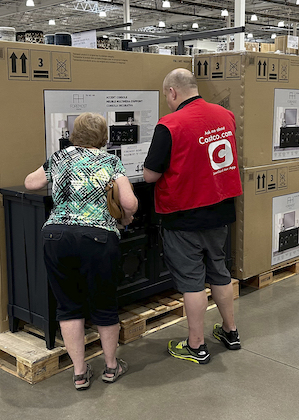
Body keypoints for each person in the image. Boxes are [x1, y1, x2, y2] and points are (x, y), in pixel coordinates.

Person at [25, 112, 138, 390]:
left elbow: (31, 183)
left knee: (68, 305)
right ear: (103, 136)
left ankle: (79, 372)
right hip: (97, 239)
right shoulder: (110, 161)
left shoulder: (60, 157)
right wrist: (122, 215)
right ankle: (111, 367)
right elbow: (130, 203)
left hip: (56, 236)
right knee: (103, 304)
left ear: (74, 133)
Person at [143, 68, 243, 365]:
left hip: (183, 214)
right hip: (220, 209)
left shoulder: (170, 124)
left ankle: (196, 344)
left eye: (166, 97)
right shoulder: (225, 116)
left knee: (192, 282)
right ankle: (230, 330)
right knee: (220, 272)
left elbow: (150, 175)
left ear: (173, 92)